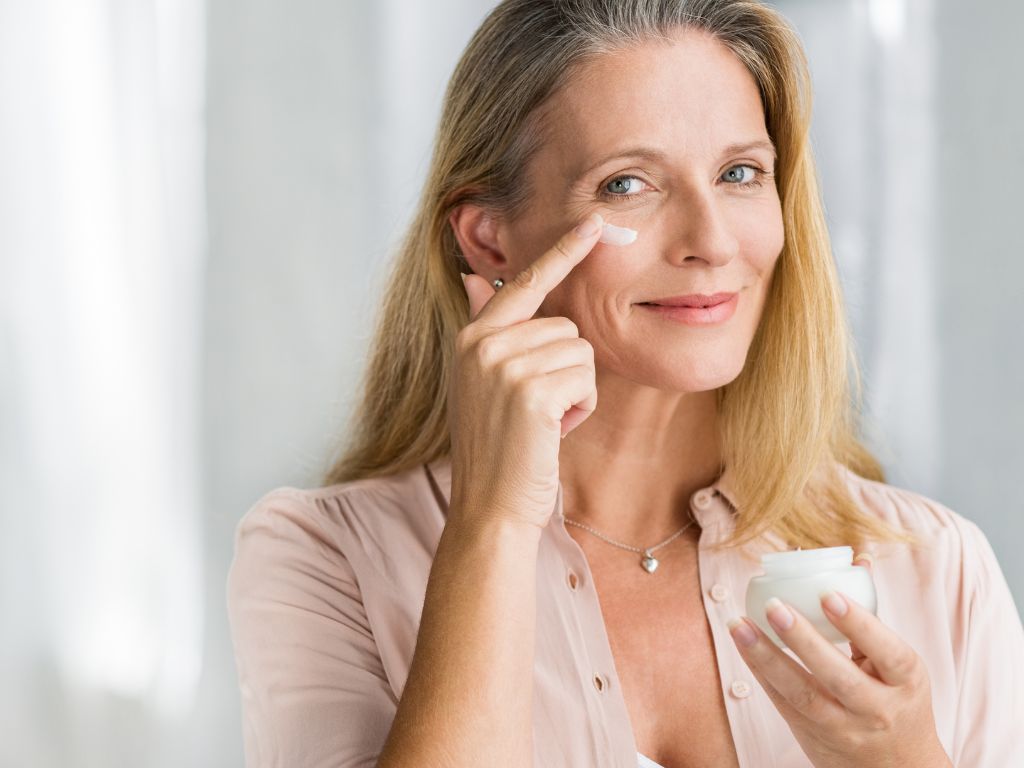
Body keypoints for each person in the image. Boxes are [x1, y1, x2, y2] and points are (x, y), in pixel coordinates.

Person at [226, 1, 1024, 766]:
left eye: (740, 173)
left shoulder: (938, 570)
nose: (711, 242)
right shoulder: (326, 561)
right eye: (627, 184)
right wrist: (494, 524)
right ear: (489, 239)